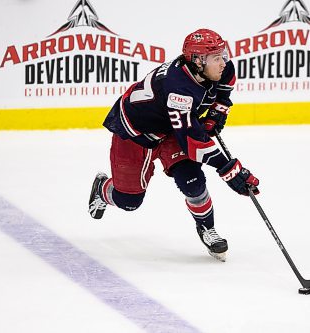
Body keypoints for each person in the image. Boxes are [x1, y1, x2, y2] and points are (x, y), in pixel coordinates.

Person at [88, 28, 259, 262]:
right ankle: (103, 189)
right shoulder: (177, 86)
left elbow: (222, 97)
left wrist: (217, 114)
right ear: (198, 61)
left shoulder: (221, 69)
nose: (224, 63)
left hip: (174, 128)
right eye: (217, 58)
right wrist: (228, 168)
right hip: (137, 132)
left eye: (223, 55)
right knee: (129, 202)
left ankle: (206, 228)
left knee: (193, 182)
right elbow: (193, 143)